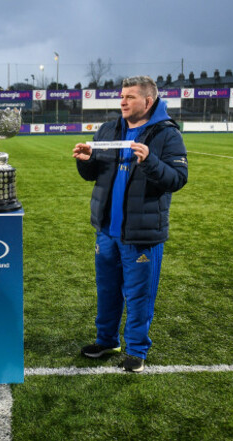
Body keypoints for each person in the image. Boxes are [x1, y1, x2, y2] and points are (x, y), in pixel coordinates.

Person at [73, 76, 188, 373]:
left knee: (139, 294)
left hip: (141, 233)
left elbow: (177, 179)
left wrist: (150, 161)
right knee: (107, 290)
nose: (122, 101)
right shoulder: (109, 129)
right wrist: (85, 160)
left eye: (130, 97)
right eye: (122, 96)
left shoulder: (167, 135)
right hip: (107, 232)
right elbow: (93, 174)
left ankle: (136, 350)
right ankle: (107, 340)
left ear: (148, 102)